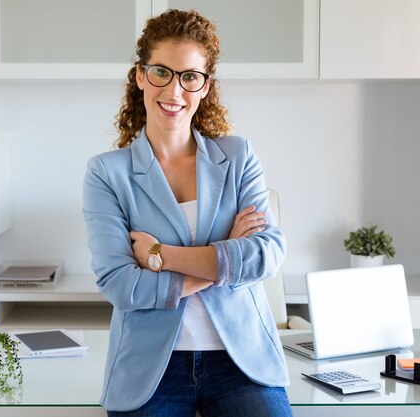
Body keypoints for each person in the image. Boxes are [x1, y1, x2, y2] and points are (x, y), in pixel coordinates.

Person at [83, 9, 291, 417]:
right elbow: (120, 284)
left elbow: (267, 254)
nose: (174, 91)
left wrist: (160, 256)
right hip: (150, 371)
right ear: (141, 76)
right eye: (161, 72)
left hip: (240, 362)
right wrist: (227, 253)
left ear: (205, 85)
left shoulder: (238, 156)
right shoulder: (107, 172)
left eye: (189, 76)